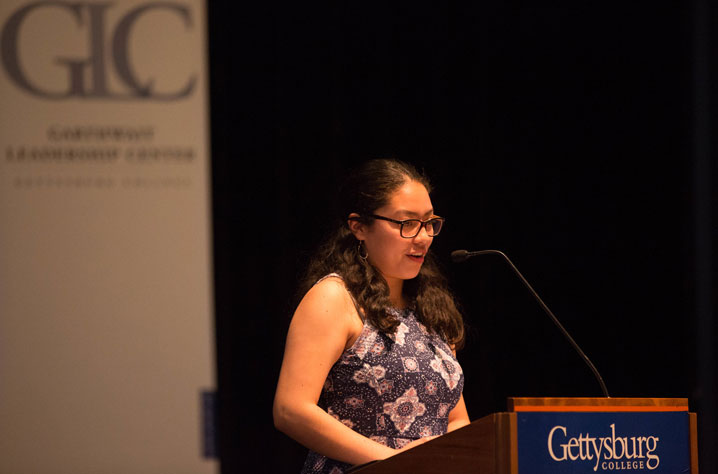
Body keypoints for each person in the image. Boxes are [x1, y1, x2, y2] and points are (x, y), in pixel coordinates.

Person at [273, 159, 469, 473]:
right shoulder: (335, 297)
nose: (423, 237)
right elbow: (291, 409)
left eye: (430, 222)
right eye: (406, 223)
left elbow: (455, 417)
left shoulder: (431, 307)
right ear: (359, 226)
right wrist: (396, 462)